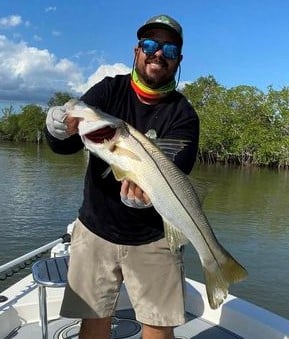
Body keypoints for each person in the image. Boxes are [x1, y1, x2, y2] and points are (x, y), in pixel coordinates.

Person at [45, 14, 199, 339]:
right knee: (93, 323)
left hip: (154, 237)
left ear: (178, 60)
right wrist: (58, 130)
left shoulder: (183, 114)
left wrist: (149, 198)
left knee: (158, 328)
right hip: (95, 229)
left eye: (169, 49)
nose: (158, 53)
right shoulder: (109, 90)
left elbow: (176, 176)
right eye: (150, 44)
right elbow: (70, 139)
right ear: (137, 50)